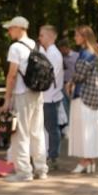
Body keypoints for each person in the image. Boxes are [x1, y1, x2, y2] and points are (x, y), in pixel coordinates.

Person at [0, 16, 48, 182]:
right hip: (37, 93)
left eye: (11, 28)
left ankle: (23, 171)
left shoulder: (15, 48)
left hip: (21, 93)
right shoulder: (36, 45)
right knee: (37, 132)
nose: (9, 31)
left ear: (20, 28)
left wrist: (7, 99)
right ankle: (41, 169)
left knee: (20, 133)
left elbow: (12, 75)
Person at [67, 25, 98, 174]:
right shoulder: (94, 53)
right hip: (93, 96)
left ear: (84, 37)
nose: (75, 38)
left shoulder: (86, 54)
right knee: (91, 129)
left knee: (82, 130)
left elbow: (80, 75)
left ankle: (84, 161)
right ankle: (91, 160)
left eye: (77, 35)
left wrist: (70, 81)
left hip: (83, 95)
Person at [39, 25, 65, 170]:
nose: (39, 38)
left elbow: (48, 75)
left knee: (51, 127)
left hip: (50, 97)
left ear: (49, 36)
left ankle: (53, 155)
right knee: (46, 127)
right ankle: (48, 153)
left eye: (42, 35)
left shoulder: (54, 54)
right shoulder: (46, 51)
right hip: (46, 96)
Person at [58, 37, 79, 134]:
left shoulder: (76, 56)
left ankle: (76, 126)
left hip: (73, 85)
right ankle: (69, 126)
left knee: (74, 106)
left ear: (66, 47)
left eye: (61, 49)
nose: (60, 51)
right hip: (63, 85)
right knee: (65, 106)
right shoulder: (60, 57)